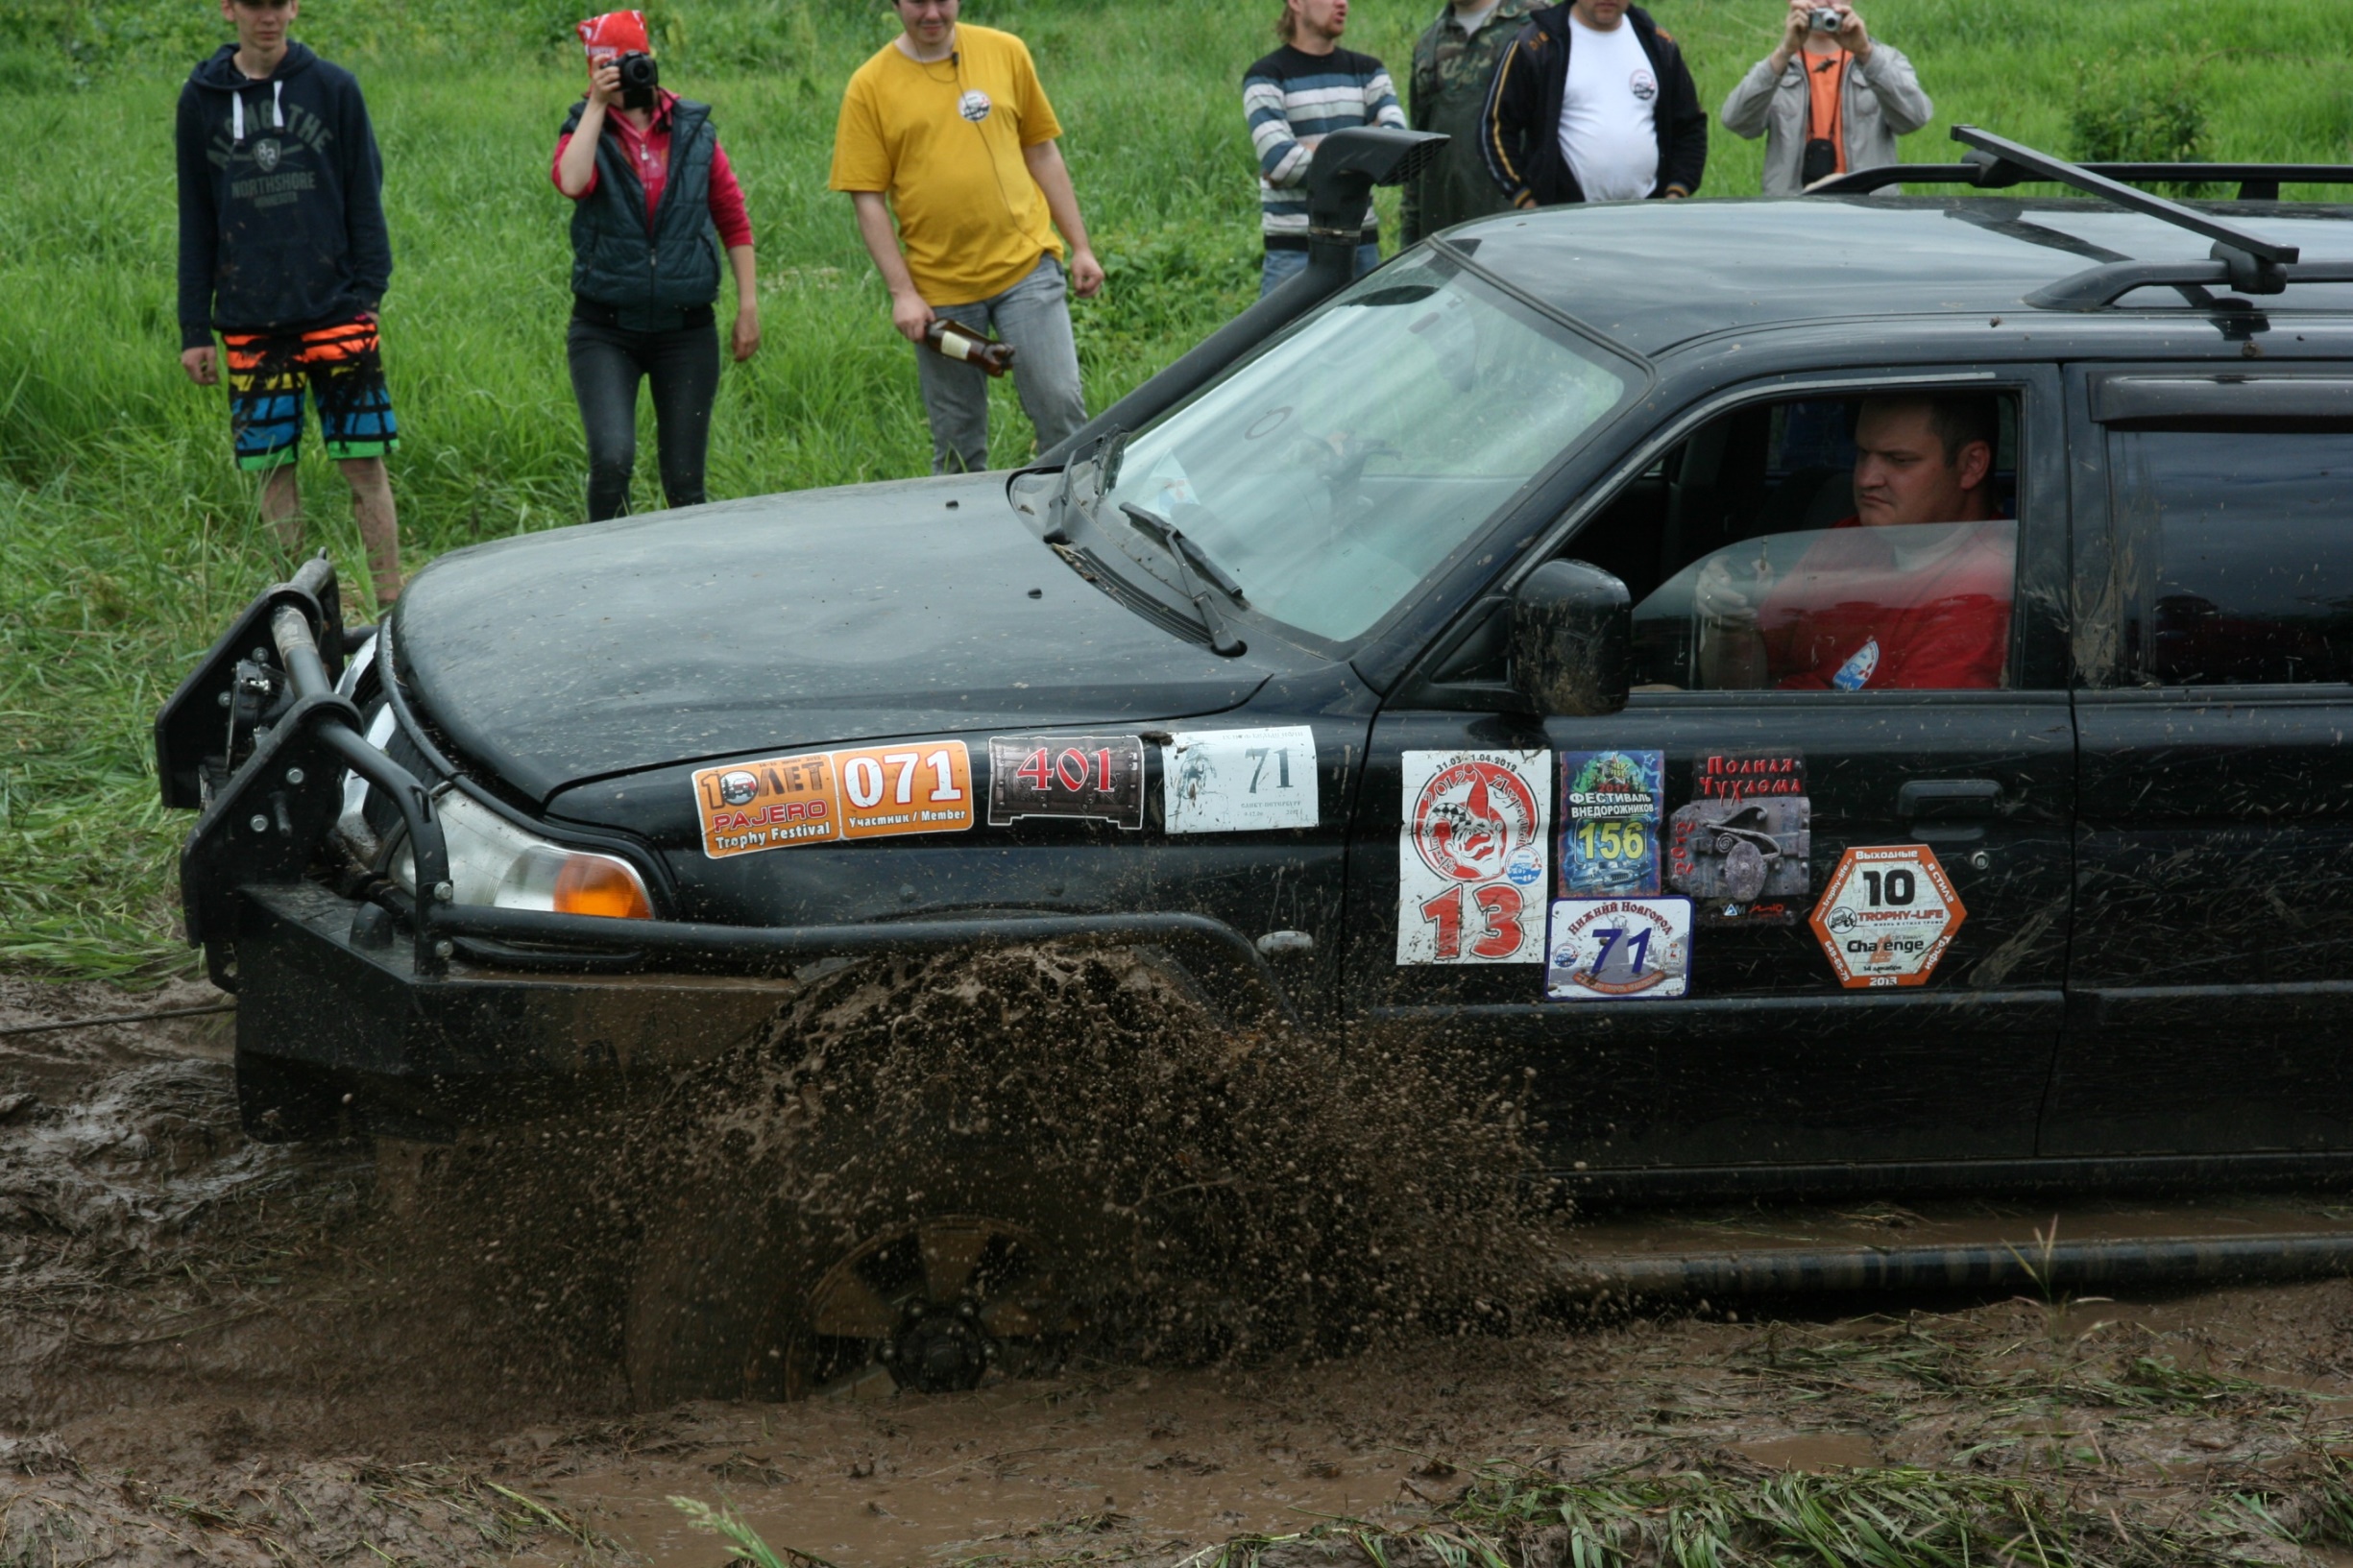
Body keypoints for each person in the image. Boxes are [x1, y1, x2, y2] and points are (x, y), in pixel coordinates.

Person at [176, 0, 402, 606]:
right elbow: (196, 216)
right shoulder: (200, 100)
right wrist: (194, 327)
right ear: (229, 9)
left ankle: (389, 607)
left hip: (337, 311)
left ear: (294, 6)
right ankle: (299, 612)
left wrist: (369, 294)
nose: (267, 16)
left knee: (364, 464)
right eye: (253, 4)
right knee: (273, 470)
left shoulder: (334, 88)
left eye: (277, 2)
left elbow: (365, 193)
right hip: (251, 322)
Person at [830, 0, 1104, 475]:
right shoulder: (870, 85)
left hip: (1026, 268)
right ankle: (962, 521)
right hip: (940, 293)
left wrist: (1080, 246)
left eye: (942, 0)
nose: (932, 13)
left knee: (1060, 407)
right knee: (958, 442)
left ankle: (1076, 510)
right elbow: (867, 198)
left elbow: (1041, 151)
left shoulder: (1005, 51)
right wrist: (902, 293)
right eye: (917, 2)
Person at [554, 11, 760, 523]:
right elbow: (572, 182)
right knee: (612, 460)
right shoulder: (583, 128)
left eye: (633, 61)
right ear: (594, 70)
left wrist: (748, 306)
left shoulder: (693, 130)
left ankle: (686, 572)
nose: (624, 74)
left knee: (685, 481)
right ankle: (605, 563)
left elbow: (732, 216)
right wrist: (596, 106)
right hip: (604, 329)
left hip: (686, 329)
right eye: (608, 66)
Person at [1695, 395, 2011, 691]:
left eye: (1899, 460)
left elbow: (1910, 729)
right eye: (1862, 454)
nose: (1865, 479)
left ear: (1971, 465)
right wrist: (1730, 624)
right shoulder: (1848, 538)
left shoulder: (1983, 593)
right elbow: (1739, 687)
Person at [1245, 0, 1408, 296]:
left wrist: (1312, 149)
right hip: (1294, 253)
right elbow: (1283, 164)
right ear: (1296, 3)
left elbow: (1395, 149)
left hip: (1361, 247)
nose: (1342, 3)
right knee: (1289, 330)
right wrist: (1365, 147)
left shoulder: (1369, 71)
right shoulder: (1265, 76)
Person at [1477, 0, 1707, 210]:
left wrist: (1675, 193)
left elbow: (1690, 126)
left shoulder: (1657, 43)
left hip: (1648, 217)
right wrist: (1525, 199)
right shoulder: (1537, 45)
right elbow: (1495, 126)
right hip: (1563, 221)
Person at [1718, 0, 1930, 195]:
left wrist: (1866, 53)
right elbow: (1737, 121)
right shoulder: (1776, 66)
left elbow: (1914, 118)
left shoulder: (1884, 60)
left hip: (1867, 210)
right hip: (1792, 211)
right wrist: (1784, 52)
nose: (1822, 2)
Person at [1402, 0, 1540, 245]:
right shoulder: (1429, 43)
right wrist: (1410, 238)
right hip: (1445, 242)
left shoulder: (1537, 25)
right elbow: (1416, 158)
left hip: (1522, 238)